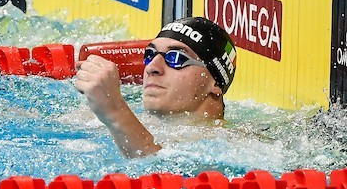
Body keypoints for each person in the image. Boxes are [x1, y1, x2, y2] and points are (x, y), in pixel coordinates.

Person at [75, 17, 237, 158]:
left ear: (215, 82)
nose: (152, 67)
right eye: (150, 55)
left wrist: (113, 110)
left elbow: (170, 177)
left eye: (177, 58)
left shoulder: (231, 146)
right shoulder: (139, 121)